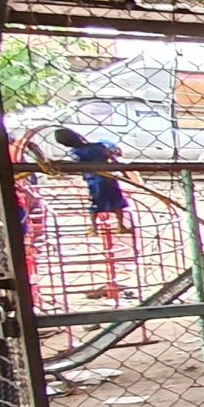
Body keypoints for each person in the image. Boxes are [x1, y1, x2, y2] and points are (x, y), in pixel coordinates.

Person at [52, 127, 132, 298]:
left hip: (94, 179)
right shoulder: (97, 146)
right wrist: (120, 169)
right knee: (116, 202)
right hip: (108, 177)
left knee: (95, 204)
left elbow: (77, 165)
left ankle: (93, 227)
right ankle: (120, 226)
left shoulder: (76, 153)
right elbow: (111, 155)